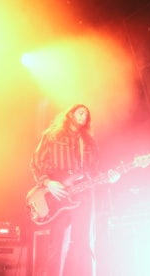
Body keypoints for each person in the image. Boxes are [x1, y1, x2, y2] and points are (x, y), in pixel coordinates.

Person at [30, 104, 100, 276]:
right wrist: (48, 183)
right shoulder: (52, 136)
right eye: (81, 112)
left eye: (87, 114)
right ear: (70, 114)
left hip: (83, 194)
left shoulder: (89, 142)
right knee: (57, 244)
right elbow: (36, 162)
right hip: (58, 195)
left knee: (83, 242)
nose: (85, 116)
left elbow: (94, 171)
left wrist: (110, 177)